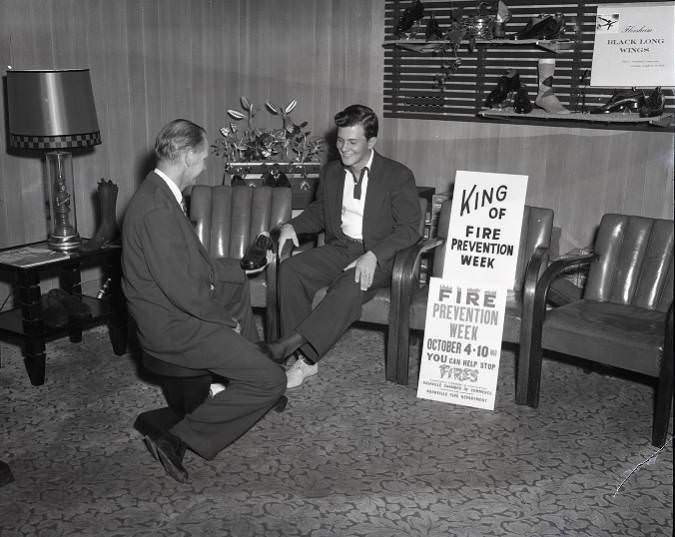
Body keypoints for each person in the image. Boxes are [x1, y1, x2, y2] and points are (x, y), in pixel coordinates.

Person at [121, 119, 286, 482]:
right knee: (273, 380)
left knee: (236, 281)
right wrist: (223, 320)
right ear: (188, 156)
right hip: (174, 328)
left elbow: (185, 263)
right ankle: (175, 438)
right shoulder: (155, 211)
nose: (205, 165)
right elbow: (183, 290)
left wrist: (237, 270)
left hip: (174, 310)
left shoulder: (158, 192)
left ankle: (244, 368)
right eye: (203, 156)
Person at [267, 104, 421, 388]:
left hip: (381, 255)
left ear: (371, 142)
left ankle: (298, 353)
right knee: (290, 270)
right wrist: (292, 226)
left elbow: (411, 228)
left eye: (352, 142)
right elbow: (319, 212)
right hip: (341, 247)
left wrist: (374, 255)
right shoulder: (332, 172)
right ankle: (304, 355)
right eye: (340, 141)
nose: (343, 148)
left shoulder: (397, 176)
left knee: (350, 286)